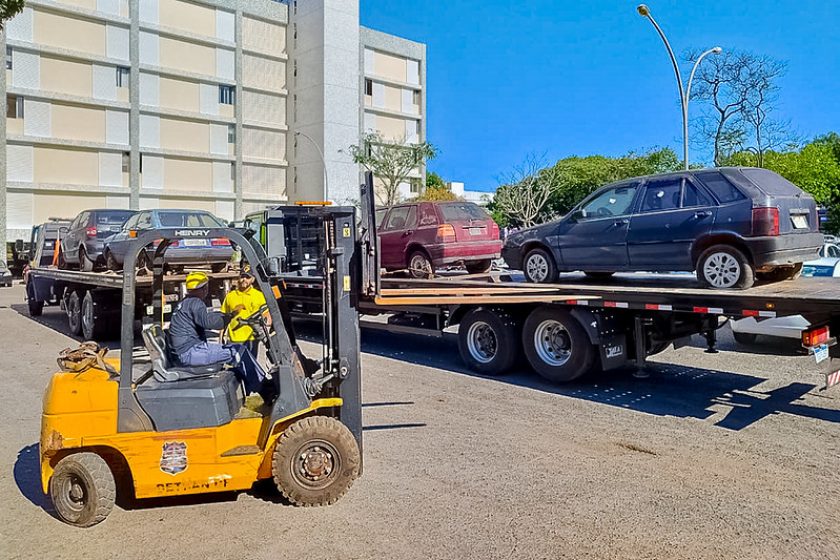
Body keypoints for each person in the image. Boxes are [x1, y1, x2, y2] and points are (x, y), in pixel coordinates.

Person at [168, 271, 267, 395]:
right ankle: (266, 390)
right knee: (238, 352)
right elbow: (209, 322)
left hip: (188, 350)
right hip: (190, 352)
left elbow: (207, 316)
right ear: (204, 288)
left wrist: (227, 315)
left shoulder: (186, 302)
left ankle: (249, 390)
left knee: (237, 351)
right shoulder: (196, 302)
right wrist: (230, 316)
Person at [221, 267, 267, 356]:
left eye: (247, 277)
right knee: (233, 367)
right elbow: (223, 317)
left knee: (250, 366)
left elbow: (267, 315)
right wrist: (221, 338)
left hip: (252, 339)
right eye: (242, 277)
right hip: (234, 338)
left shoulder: (259, 296)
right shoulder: (230, 296)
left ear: (253, 279)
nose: (244, 280)